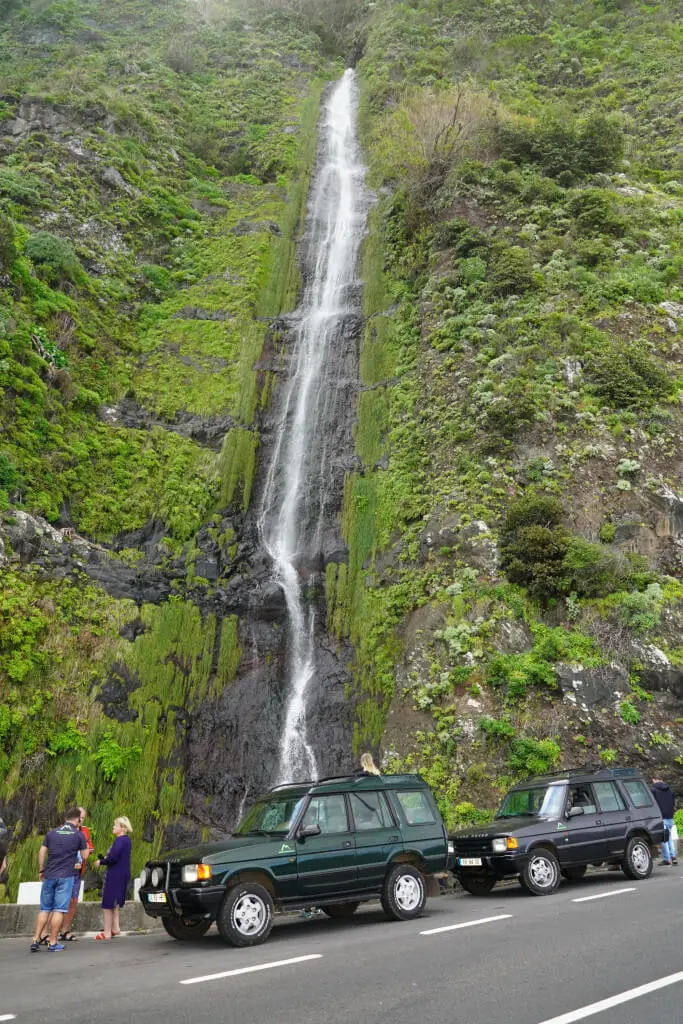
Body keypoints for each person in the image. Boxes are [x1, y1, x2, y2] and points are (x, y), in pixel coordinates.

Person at [30, 807, 90, 953]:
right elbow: (85, 856)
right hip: (66, 877)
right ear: (77, 819)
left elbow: (42, 851)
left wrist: (41, 869)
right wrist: (86, 846)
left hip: (49, 875)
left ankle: (35, 940)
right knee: (59, 909)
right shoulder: (78, 835)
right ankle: (52, 942)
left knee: (44, 909)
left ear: (65, 818)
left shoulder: (52, 833)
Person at [93, 817, 132, 941]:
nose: (113, 827)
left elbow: (113, 858)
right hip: (122, 873)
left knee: (107, 904)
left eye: (115, 826)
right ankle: (115, 928)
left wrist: (101, 861)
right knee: (114, 903)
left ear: (122, 828)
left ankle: (107, 932)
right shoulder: (127, 841)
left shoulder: (120, 841)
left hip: (115, 874)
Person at [58, 806, 94, 941]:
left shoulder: (84, 831)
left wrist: (88, 848)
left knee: (73, 901)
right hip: (64, 870)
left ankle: (64, 931)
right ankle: (48, 934)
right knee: (60, 901)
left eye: (84, 818)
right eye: (81, 818)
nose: (82, 820)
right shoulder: (63, 829)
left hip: (78, 871)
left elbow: (89, 846)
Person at [651, 777, 677, 865]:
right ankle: (673, 856)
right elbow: (673, 803)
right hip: (670, 816)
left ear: (654, 779)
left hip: (661, 817)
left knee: (664, 839)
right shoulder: (669, 790)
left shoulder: (653, 790)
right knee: (669, 837)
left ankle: (667, 859)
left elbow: (653, 804)